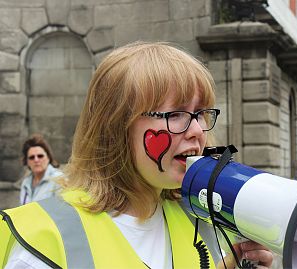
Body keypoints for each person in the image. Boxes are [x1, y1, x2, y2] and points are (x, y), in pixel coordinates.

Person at [0, 42, 272, 269]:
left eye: (200, 113)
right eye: (175, 114)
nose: (198, 130)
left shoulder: (199, 221)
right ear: (118, 126)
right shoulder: (43, 238)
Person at [19, 133, 63, 205]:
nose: (36, 160)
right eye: (31, 157)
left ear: (48, 157)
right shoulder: (25, 183)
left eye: (40, 156)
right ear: (27, 162)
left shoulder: (59, 179)